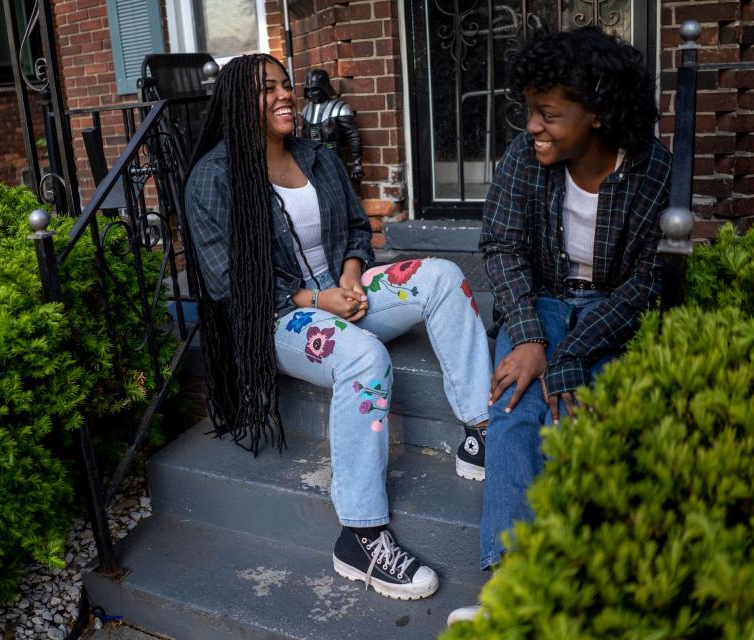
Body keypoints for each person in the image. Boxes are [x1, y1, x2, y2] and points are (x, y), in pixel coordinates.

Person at [183, 54, 492, 601]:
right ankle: (361, 533)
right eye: (266, 90)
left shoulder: (316, 156)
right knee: (364, 357)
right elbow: (227, 282)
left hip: (339, 289)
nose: (284, 96)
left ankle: (480, 430)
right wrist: (313, 298)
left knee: (443, 275)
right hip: (278, 315)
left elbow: (355, 227)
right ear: (236, 103)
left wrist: (350, 278)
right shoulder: (213, 177)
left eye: (286, 85)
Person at [448, 27, 671, 625]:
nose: (532, 127)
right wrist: (527, 336)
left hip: (609, 310)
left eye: (549, 114)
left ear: (596, 111)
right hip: (539, 298)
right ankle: (513, 590)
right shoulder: (527, 158)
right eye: (529, 111)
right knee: (515, 408)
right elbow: (501, 244)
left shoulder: (653, 172)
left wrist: (569, 352)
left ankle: (577, 583)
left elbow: (647, 284)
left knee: (580, 414)